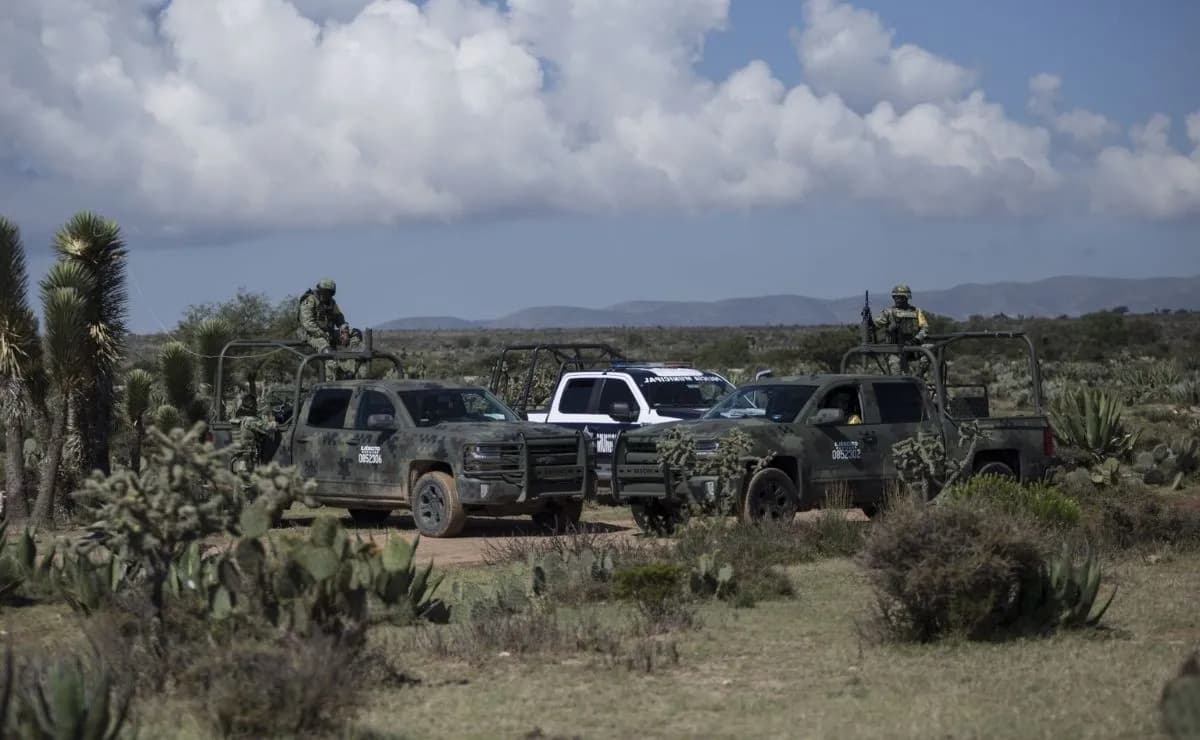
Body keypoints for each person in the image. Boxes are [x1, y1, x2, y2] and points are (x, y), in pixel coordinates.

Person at [297, 278, 365, 379]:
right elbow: (307, 323)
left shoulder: (331, 303)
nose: (326, 295)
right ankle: (336, 375)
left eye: (329, 292)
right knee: (327, 352)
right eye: (324, 292)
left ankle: (355, 364)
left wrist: (344, 331)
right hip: (311, 334)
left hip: (328, 332)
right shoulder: (310, 300)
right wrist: (324, 334)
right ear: (319, 290)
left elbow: (339, 318)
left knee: (355, 333)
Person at [874, 284, 931, 378]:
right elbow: (874, 326)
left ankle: (918, 376)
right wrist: (868, 322)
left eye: (900, 297)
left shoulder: (916, 311)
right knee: (895, 366)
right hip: (895, 350)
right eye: (895, 297)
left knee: (931, 348)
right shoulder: (889, 312)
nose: (897, 299)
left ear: (906, 298)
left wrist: (916, 340)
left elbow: (925, 328)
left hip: (913, 347)